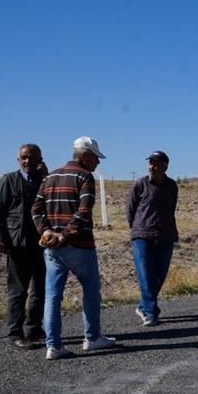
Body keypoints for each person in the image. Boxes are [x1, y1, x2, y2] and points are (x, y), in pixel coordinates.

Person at [31, 136, 116, 360]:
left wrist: (47, 233)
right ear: (85, 155)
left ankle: (54, 345)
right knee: (90, 290)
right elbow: (84, 211)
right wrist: (65, 234)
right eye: (96, 157)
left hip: (52, 249)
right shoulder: (84, 176)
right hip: (80, 246)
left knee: (52, 296)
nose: (97, 162)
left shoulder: (50, 177)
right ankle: (92, 338)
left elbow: (36, 209)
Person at [0, 144, 47, 350]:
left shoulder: (45, 181)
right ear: (18, 160)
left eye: (32, 158)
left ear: (40, 159)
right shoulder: (9, 181)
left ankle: (34, 328)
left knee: (41, 289)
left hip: (42, 245)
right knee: (18, 291)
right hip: (18, 244)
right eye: (23, 158)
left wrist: (46, 178)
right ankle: (15, 333)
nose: (27, 162)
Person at [126, 150, 180, 327]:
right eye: (150, 162)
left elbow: (171, 209)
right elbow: (130, 210)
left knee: (159, 276)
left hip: (166, 236)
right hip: (143, 236)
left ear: (165, 166)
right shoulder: (140, 185)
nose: (152, 166)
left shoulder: (172, 186)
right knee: (146, 275)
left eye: (156, 163)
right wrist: (137, 229)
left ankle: (143, 306)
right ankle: (150, 312)